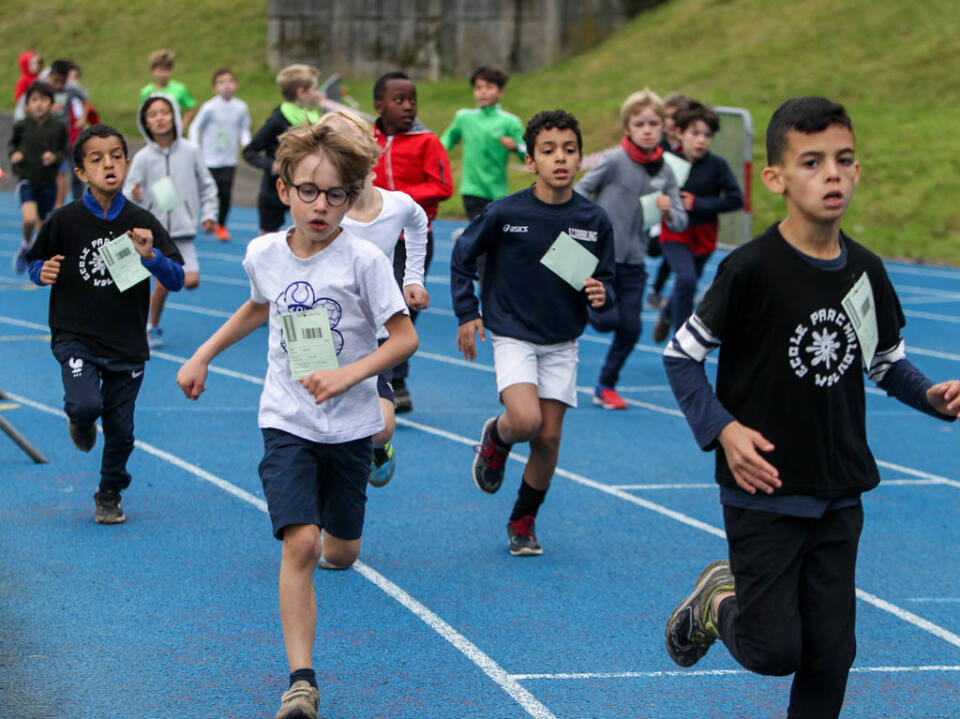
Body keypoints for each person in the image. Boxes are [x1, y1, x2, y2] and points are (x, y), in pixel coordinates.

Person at [662, 97, 960, 719]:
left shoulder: (866, 272)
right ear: (776, 179)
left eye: (844, 160)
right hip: (763, 488)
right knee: (774, 650)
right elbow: (681, 356)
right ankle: (718, 600)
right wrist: (724, 431)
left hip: (839, 485)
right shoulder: (751, 270)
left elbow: (886, 363)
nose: (832, 174)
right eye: (812, 161)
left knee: (831, 655)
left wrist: (931, 397)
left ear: (857, 171)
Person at [176, 122, 417, 719]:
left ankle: (378, 450)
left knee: (342, 550)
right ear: (284, 189)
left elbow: (403, 338)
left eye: (335, 194)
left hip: (350, 423)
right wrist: (203, 354)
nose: (320, 206)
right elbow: (259, 306)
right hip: (286, 418)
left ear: (351, 197)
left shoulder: (363, 260)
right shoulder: (264, 253)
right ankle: (301, 683)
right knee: (301, 544)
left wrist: (348, 375)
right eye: (308, 191)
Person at [452, 109, 615, 556]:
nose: (559, 158)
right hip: (513, 333)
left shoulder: (594, 220)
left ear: (580, 159)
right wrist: (467, 312)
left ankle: (523, 520)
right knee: (525, 421)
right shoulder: (506, 213)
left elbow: (607, 282)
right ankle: (498, 436)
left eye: (569, 150)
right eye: (548, 150)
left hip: (562, 340)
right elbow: (462, 257)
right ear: (530, 161)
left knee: (548, 439)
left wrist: (603, 294)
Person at [25, 124, 185, 524]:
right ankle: (80, 421)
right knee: (85, 405)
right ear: (80, 172)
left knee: (122, 432)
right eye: (96, 160)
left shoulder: (141, 221)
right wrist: (41, 271)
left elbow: (177, 279)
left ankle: (109, 493)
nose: (108, 165)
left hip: (126, 342)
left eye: (115, 157)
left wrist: (150, 257)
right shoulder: (65, 220)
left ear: (127, 164)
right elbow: (34, 261)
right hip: (75, 335)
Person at [319, 110, 430, 487]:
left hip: (376, 334)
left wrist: (412, 278)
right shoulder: (322, 213)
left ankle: (377, 448)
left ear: (372, 154)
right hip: (326, 331)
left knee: (382, 428)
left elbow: (418, 223)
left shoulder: (397, 205)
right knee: (319, 423)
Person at [574, 89, 686, 410]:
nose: (647, 130)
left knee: (632, 327)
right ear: (628, 128)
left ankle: (605, 385)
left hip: (635, 262)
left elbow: (681, 221)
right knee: (606, 321)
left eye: (653, 123)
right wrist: (589, 221)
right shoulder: (613, 161)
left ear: (663, 127)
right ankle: (578, 301)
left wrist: (669, 211)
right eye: (640, 124)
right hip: (600, 260)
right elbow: (580, 190)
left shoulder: (666, 170)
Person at [372, 71, 453, 413]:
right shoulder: (367, 139)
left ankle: (396, 378)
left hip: (413, 239)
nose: (408, 107)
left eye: (413, 100)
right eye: (399, 100)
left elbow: (443, 186)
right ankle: (377, 376)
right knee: (372, 306)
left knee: (402, 306)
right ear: (379, 105)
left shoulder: (427, 141)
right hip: (373, 239)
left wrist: (398, 198)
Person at [125, 94, 218, 348]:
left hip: (183, 230)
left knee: (191, 281)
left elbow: (208, 185)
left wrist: (209, 215)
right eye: (153, 114)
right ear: (145, 122)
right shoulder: (143, 157)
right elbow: (128, 192)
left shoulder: (191, 151)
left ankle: (150, 322)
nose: (160, 118)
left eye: (164, 112)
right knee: (163, 283)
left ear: (175, 116)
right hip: (154, 234)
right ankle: (152, 327)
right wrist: (134, 195)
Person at [652, 102, 743, 342]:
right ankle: (682, 341)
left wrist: (698, 203)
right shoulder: (668, 162)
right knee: (687, 279)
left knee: (687, 283)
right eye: (695, 133)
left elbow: (736, 200)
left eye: (706, 135)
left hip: (704, 236)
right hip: (674, 233)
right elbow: (649, 192)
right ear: (680, 133)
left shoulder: (717, 166)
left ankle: (667, 314)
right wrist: (661, 202)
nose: (701, 140)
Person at [243, 64, 322, 235]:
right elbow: (249, 152)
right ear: (301, 92)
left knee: (308, 238)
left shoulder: (316, 118)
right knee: (268, 240)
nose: (318, 93)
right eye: (314, 89)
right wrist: (272, 165)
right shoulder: (277, 121)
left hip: (306, 191)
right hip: (274, 193)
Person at [440, 65, 526, 221]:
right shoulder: (464, 118)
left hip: (498, 191)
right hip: (472, 189)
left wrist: (515, 147)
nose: (483, 92)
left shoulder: (510, 122)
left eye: (489, 87)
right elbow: (445, 142)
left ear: (500, 92)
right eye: (478, 88)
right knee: (479, 227)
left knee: (495, 231)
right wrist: (431, 156)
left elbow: (527, 155)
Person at [8, 80, 68, 273]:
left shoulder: (58, 127)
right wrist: (14, 155)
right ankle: (26, 244)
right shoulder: (22, 126)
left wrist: (54, 157)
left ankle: (37, 256)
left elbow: (63, 152)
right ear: (27, 104)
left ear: (52, 103)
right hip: (27, 180)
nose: (39, 104)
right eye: (34, 100)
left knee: (43, 227)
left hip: (48, 182)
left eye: (43, 99)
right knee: (29, 219)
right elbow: (12, 145)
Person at [189, 67, 252, 241]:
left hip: (229, 159)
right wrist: (194, 147)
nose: (226, 86)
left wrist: (246, 143)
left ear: (236, 85)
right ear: (215, 87)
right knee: (209, 192)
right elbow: (195, 127)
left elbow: (244, 128)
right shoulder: (209, 107)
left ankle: (222, 225)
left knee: (225, 193)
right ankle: (205, 219)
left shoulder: (241, 107)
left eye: (230, 81)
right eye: (221, 82)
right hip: (209, 158)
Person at [648, 93, 692, 307]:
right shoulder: (655, 145)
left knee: (674, 248)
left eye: (676, 117)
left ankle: (657, 292)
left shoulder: (691, 149)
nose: (671, 122)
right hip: (650, 210)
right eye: (667, 117)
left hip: (675, 213)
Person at [139, 49, 196, 128]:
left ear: (170, 71)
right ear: (153, 71)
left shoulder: (180, 89)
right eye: (160, 70)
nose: (163, 74)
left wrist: (182, 126)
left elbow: (190, 108)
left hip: (174, 129)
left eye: (166, 70)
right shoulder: (146, 92)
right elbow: (144, 113)